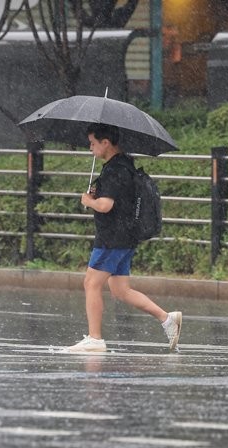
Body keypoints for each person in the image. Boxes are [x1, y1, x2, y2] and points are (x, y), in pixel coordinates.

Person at [66, 123, 182, 353]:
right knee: (120, 290)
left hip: (112, 238)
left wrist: (89, 201)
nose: (90, 148)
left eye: (92, 143)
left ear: (105, 143)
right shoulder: (125, 166)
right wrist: (96, 196)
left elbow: (106, 206)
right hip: (125, 237)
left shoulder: (113, 170)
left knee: (91, 283)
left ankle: (95, 338)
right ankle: (167, 319)